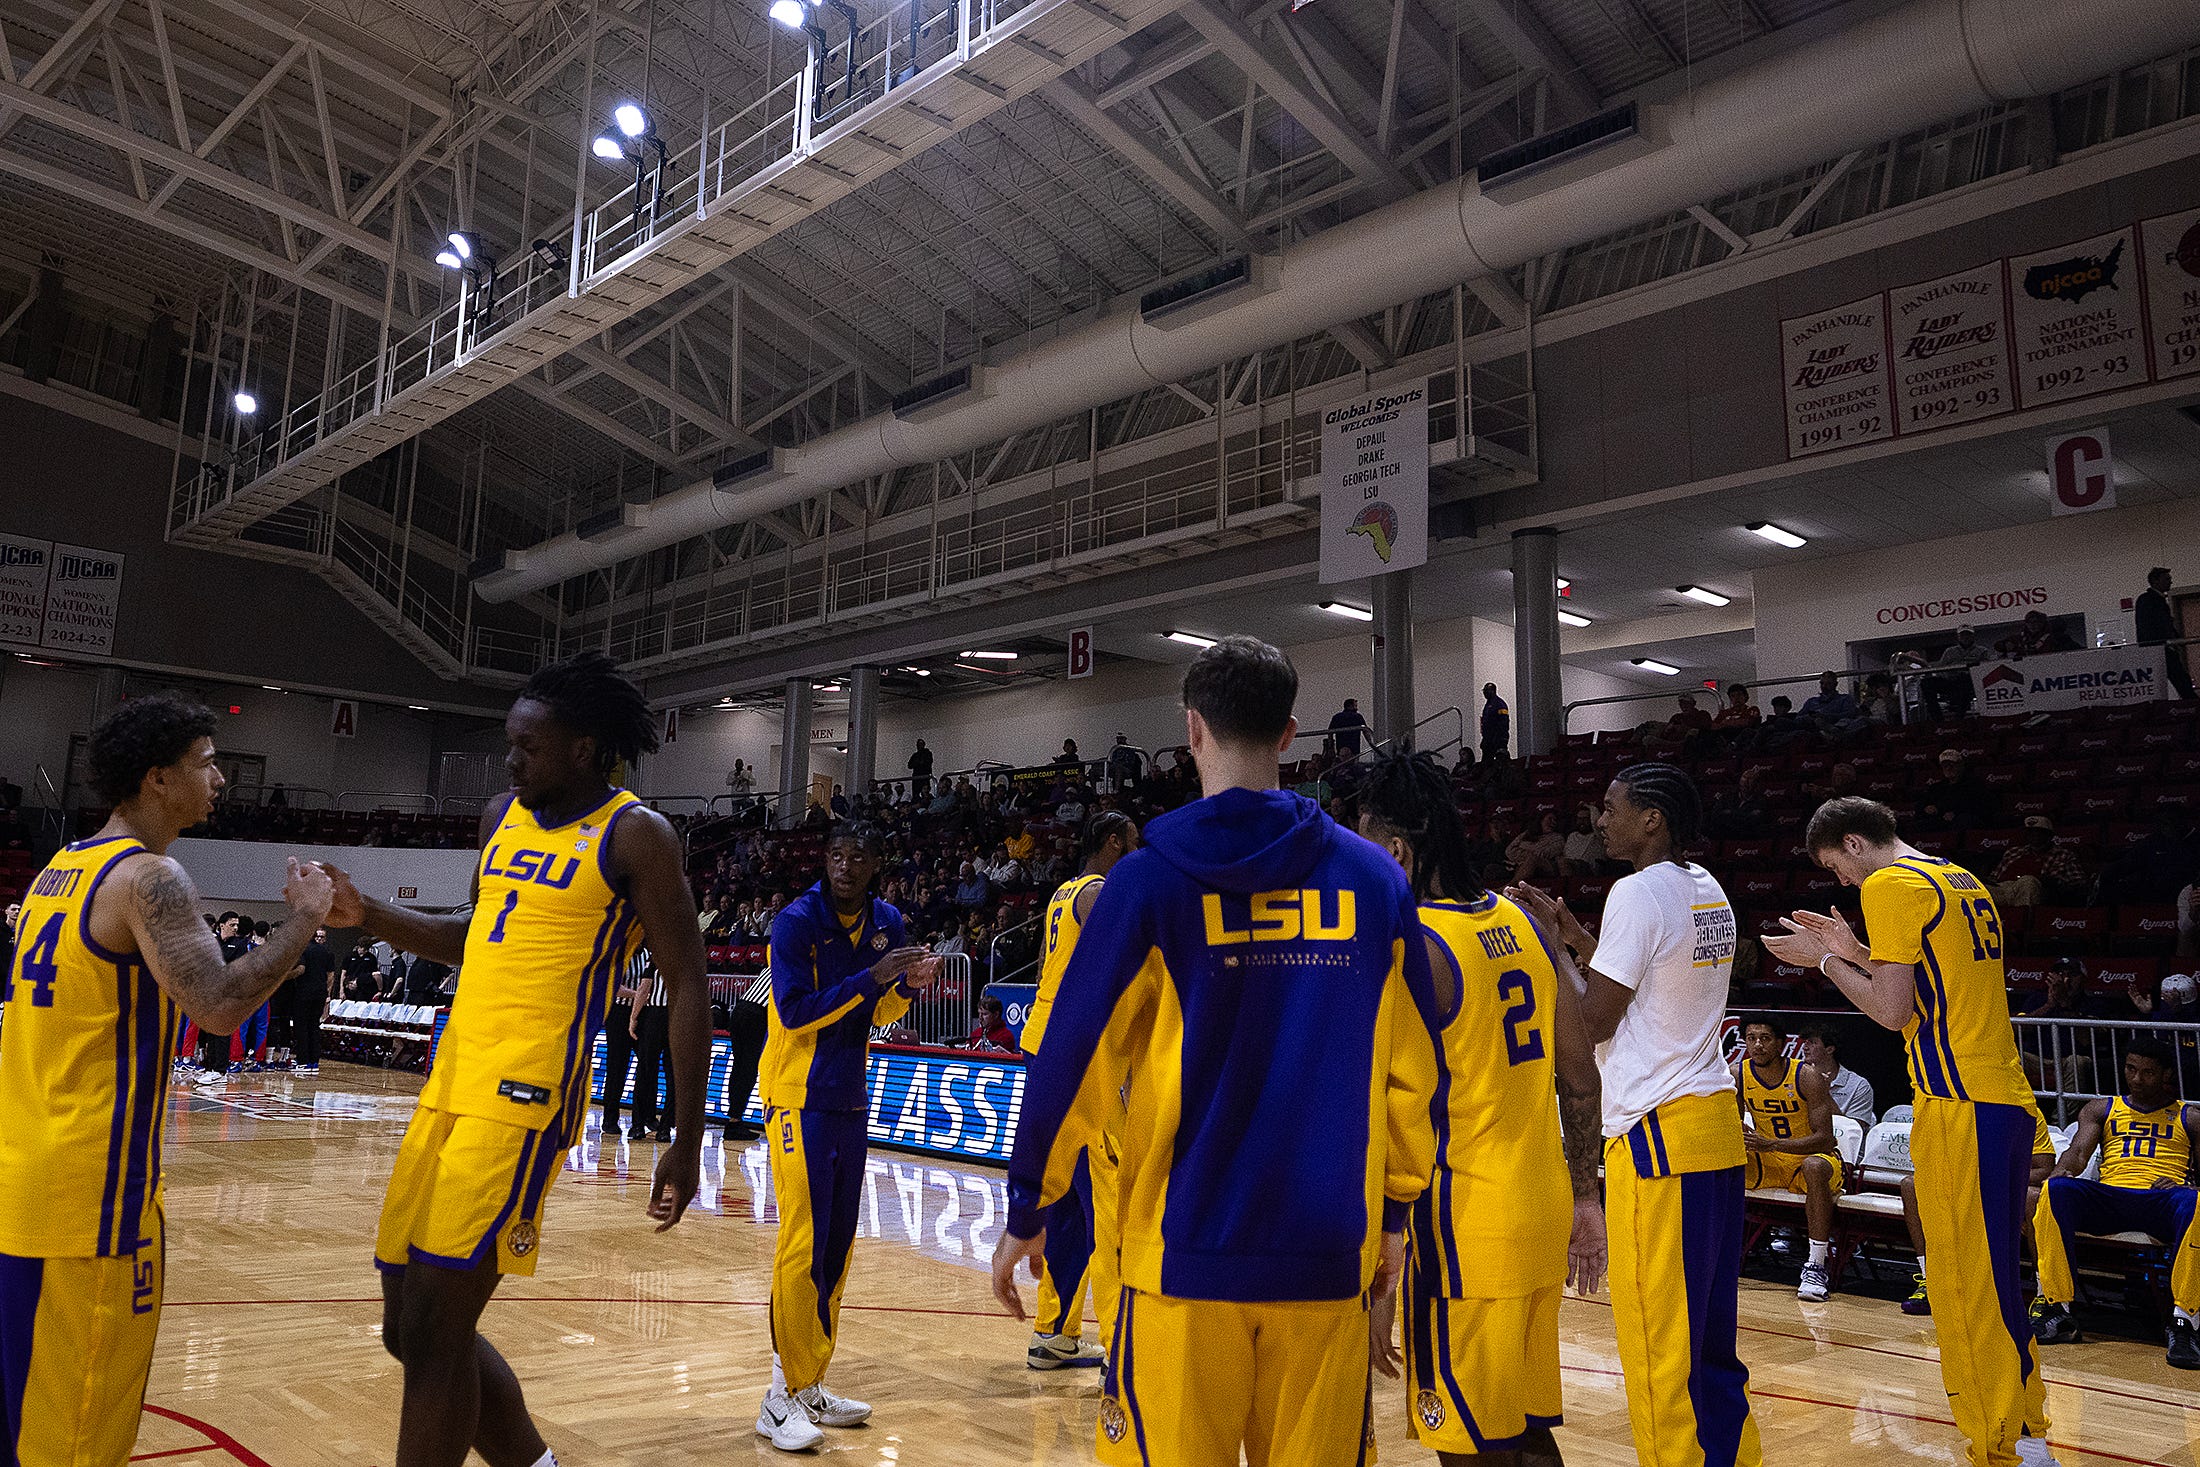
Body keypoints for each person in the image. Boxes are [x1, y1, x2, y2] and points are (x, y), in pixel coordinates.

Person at [992, 634, 1440, 1466]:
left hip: (1183, 1260)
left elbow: (1074, 1052)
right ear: (1291, 734)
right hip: (1327, 1251)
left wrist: (1031, 1203)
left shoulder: (1147, 881)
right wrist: (1397, 1218)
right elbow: (1415, 1071)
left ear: (1191, 730)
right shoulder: (1376, 882)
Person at [321, 651, 711, 1467]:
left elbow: (687, 987)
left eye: (528, 745)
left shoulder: (637, 834)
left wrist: (686, 1135)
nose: (510, 759)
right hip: (450, 1081)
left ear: (582, 748)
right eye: (511, 742)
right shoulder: (503, 811)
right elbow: (471, 933)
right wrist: (371, 913)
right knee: (409, 1327)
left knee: (435, 1327)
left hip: (526, 1097)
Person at [0, 692, 334, 1465]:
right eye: (208, 763)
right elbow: (218, 1006)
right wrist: (306, 917)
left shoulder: (61, 867)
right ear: (157, 778)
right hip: (91, 1204)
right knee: (79, 1441)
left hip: (26, 1179)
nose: (220, 779)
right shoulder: (150, 877)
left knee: (28, 1426)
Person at [1764, 796, 2052, 1467]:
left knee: (1963, 1289)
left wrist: (1826, 964)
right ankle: (2027, 1434)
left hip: (1960, 1104)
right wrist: (1858, 948)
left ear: (1857, 843)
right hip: (2001, 1098)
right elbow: (1935, 979)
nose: (1845, 885)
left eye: (1841, 869)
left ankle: (2001, 1447)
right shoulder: (1955, 876)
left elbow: (1894, 1012)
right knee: (1996, 1280)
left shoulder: (1890, 882)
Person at [1509, 764, 1761, 1467]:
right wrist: (1576, 938)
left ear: (1652, 817)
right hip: (1711, 1127)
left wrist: (1544, 948)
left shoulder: (1635, 892)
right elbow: (1647, 978)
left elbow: (1588, 1020)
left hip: (1658, 1138)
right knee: (1711, 1344)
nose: (1599, 820)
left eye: (1612, 808)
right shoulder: (1705, 886)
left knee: (1659, 1352)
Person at [1359, 750, 1606, 1467]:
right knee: (1526, 1431)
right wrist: (1585, 1195)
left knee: (1471, 1446)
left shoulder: (1415, 947)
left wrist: (1382, 1254)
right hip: (1541, 1208)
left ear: (1397, 849)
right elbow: (1581, 1073)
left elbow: (1389, 1111)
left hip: (1463, 1231)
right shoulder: (1525, 920)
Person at [755, 821, 940, 1451]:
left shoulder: (887, 920)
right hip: (796, 1097)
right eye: (836, 855)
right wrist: (873, 976)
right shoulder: (795, 922)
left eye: (858, 856)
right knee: (802, 1244)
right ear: (825, 861)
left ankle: (808, 1383)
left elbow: (875, 1013)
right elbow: (795, 1012)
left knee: (836, 1245)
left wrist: (906, 990)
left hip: (848, 1097)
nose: (845, 866)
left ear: (876, 863)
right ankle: (777, 1396)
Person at [1017, 809, 1139, 1374]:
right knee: (1109, 1205)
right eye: (1132, 845)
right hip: (1082, 1060)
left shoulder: (1064, 892)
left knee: (1064, 1205)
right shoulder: (1098, 895)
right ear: (1112, 842)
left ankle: (1054, 1333)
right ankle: (1122, 1346)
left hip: (1043, 1045)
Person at [2031, 1039, 2200, 1369]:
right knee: (2056, 1189)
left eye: (2148, 1072)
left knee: (2195, 1201)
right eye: (2131, 1069)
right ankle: (2058, 1308)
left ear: (2166, 1075)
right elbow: (2078, 1153)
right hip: (2111, 1198)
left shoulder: (2189, 1117)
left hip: (2160, 1201)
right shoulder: (2101, 1108)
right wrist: (2064, 1170)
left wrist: (2186, 1184)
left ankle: (2186, 1322)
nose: (2136, 1079)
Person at [1733, 1019, 1844, 1301]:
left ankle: (1816, 1266)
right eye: (1751, 1037)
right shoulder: (1738, 1074)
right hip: (1769, 1161)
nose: (1757, 1045)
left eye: (1766, 1038)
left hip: (1810, 1158)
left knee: (1814, 1165)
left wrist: (1773, 1143)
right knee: (1718, 1160)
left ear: (1781, 1043)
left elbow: (1825, 1138)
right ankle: (1713, 1251)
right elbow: (1731, 1125)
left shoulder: (1806, 1076)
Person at [1989, 818, 2086, 909]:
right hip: (2004, 888)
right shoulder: (2013, 852)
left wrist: (2053, 882)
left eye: (2038, 832)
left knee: (2028, 881)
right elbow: (1994, 877)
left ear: (2048, 835)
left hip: (2036, 888)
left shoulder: (2063, 854)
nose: (2034, 836)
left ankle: (2022, 922)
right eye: (2030, 832)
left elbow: (2078, 882)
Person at [2138, 567, 2196, 700]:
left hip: (2161, 649)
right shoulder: (2150, 600)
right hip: (2160, 650)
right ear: (2155, 581)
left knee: (2180, 681)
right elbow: (2152, 628)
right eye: (2167, 579)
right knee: (2181, 681)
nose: (2170, 582)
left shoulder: (2152, 600)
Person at [1798, 1025, 1876, 1126]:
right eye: (1805, 1042)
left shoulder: (1859, 1086)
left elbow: (1854, 1131)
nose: (1805, 1048)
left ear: (1829, 1049)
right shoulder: (1797, 1077)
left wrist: (1823, 1093)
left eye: (1812, 1042)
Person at [599, 964, 642, 1138]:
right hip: (618, 1013)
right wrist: (638, 995)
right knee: (617, 1067)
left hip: (641, 1013)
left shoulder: (647, 955)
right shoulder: (622, 957)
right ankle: (610, 1119)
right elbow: (614, 988)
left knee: (647, 1065)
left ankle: (643, 1118)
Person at [291, 925, 334, 1076]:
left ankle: (302, 1061)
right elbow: (330, 975)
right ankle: (314, 1061)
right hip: (320, 993)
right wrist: (326, 992)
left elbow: (300, 970)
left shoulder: (303, 950)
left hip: (304, 992)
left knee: (301, 1027)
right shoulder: (326, 951)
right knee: (314, 1026)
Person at [1928, 627, 1988, 721]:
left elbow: (1985, 669)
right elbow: (1940, 669)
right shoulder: (1949, 651)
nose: (1965, 637)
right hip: (1951, 681)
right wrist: (1949, 676)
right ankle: (1937, 718)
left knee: (1964, 680)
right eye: (1963, 635)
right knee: (1927, 683)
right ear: (1958, 636)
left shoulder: (1982, 651)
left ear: (1973, 636)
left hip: (1972, 683)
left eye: (1968, 634)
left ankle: (1959, 717)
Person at [1800, 672, 1867, 742]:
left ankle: (1832, 732)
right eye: (1822, 683)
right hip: (1813, 726)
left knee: (1854, 721)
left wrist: (1825, 717)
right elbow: (1798, 718)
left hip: (1839, 724)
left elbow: (1849, 714)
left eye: (1828, 683)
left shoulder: (1845, 698)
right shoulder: (1811, 701)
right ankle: (1833, 734)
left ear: (1835, 684)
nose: (1824, 686)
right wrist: (1811, 717)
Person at [1481, 683, 1511, 761]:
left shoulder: (1500, 704)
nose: (1484, 693)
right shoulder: (1488, 704)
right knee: (1486, 763)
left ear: (1492, 691)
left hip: (1498, 738)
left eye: (1486, 690)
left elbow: (1504, 722)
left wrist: (1500, 738)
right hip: (1488, 738)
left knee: (1500, 761)